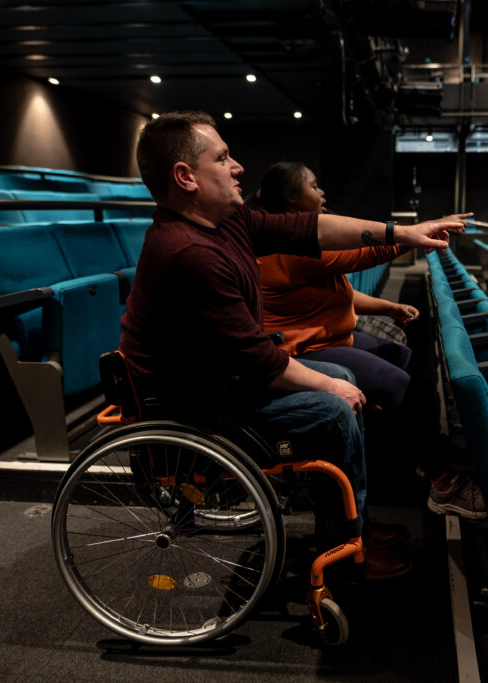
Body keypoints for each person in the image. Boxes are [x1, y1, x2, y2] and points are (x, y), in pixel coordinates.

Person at [118, 111, 464, 579]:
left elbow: (308, 229)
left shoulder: (224, 223)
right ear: (186, 177)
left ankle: (350, 524)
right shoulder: (188, 252)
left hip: (220, 376)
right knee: (335, 404)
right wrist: (331, 388)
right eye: (222, 158)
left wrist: (400, 232)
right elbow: (259, 359)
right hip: (193, 401)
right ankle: (344, 541)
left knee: (341, 381)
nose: (238, 167)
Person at [253, 162, 429, 424]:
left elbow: (337, 294)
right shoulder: (291, 247)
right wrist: (419, 234)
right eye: (313, 186)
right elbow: (371, 252)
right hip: (301, 348)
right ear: (291, 199)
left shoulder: (297, 241)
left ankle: (384, 425)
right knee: (397, 383)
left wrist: (388, 307)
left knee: (403, 356)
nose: (322, 192)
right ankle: (398, 457)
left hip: (328, 336)